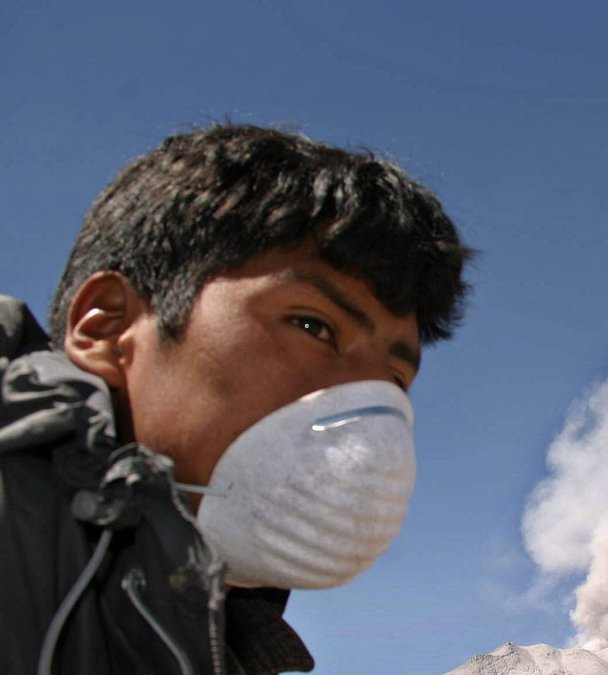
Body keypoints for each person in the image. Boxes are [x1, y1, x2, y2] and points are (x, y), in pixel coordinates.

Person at [0, 124, 474, 674]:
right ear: (108, 327)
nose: (358, 406)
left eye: (394, 381)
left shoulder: (207, 636)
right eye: (313, 326)